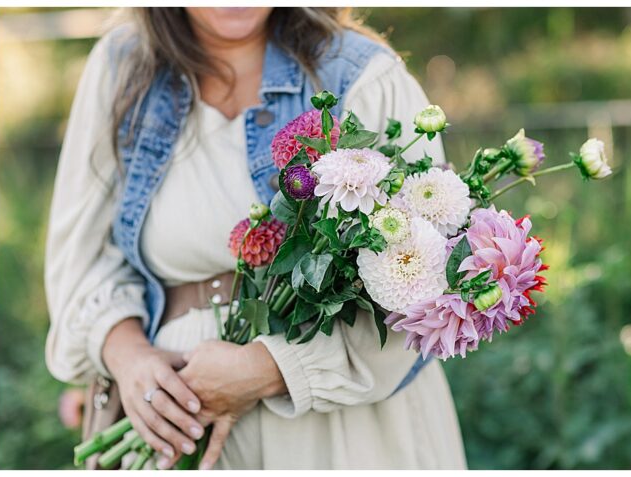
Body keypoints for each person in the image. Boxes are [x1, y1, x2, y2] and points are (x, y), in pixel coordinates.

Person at [44, 7, 466, 469]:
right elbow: (79, 261)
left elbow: (427, 291)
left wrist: (270, 369)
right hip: (172, 419)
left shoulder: (365, 76)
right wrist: (131, 359)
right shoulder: (122, 69)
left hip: (343, 434)